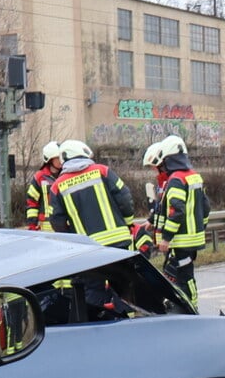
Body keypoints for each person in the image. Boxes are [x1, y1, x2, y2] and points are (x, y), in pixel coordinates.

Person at [49, 139, 135, 313]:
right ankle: (126, 320)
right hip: (118, 243)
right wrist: (128, 222)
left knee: (92, 290)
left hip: (89, 249)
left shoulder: (57, 185)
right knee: (124, 285)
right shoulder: (103, 171)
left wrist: (73, 240)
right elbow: (125, 199)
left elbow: (57, 221)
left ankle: (98, 324)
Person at [143, 134, 209, 310]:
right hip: (192, 237)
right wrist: (200, 228)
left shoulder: (176, 180)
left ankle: (192, 308)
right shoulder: (193, 176)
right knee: (176, 275)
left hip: (181, 240)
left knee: (185, 276)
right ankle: (182, 307)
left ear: (166, 160)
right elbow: (205, 207)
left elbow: (175, 211)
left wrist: (166, 238)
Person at [25, 141, 62, 230]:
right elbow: (32, 203)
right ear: (50, 159)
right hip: (46, 228)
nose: (61, 160)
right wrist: (32, 225)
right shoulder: (39, 178)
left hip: (64, 226)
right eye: (58, 158)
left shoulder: (66, 175)